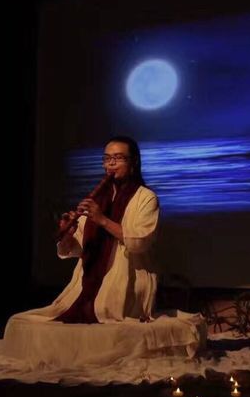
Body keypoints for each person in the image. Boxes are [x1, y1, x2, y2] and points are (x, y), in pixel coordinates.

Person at [24, 135, 159, 324]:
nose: (111, 163)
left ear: (133, 162)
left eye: (118, 158)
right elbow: (79, 248)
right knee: (32, 320)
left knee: (103, 313)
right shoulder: (97, 199)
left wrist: (102, 220)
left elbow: (140, 241)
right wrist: (68, 234)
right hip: (89, 279)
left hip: (128, 279)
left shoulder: (146, 198)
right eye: (107, 158)